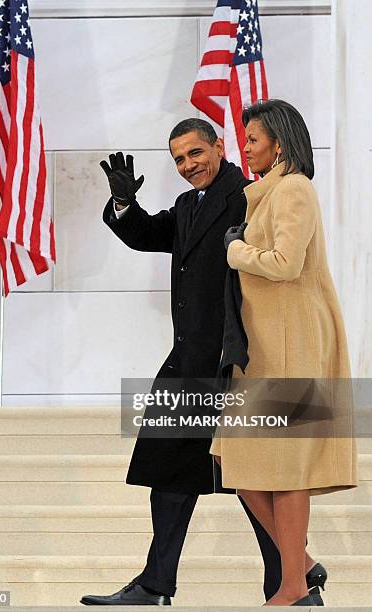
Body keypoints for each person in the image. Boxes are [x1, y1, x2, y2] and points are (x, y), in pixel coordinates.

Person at [80, 118, 324, 607]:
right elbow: (150, 234)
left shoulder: (248, 195)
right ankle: (157, 584)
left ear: (218, 146)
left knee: (251, 475)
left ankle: (293, 583)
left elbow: (280, 264)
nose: (187, 166)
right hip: (188, 358)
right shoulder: (189, 204)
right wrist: (125, 205)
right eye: (178, 160)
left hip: (234, 360)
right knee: (171, 470)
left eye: (195, 153)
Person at [211, 99, 358, 606]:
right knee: (243, 466)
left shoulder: (293, 188)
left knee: (286, 467)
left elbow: (285, 263)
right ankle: (306, 564)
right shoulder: (267, 193)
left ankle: (293, 585)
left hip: (293, 342)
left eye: (252, 139)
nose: (245, 147)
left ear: (278, 141)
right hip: (264, 347)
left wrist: (235, 251)